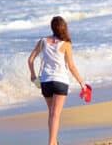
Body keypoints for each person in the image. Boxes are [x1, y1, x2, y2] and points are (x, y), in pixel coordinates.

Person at [28, 16, 86, 145]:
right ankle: (51, 142)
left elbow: (30, 59)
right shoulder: (66, 43)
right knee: (55, 114)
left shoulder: (43, 41)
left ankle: (54, 141)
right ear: (64, 27)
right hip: (60, 82)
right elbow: (71, 66)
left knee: (52, 114)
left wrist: (32, 75)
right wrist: (82, 82)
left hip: (46, 82)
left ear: (52, 27)